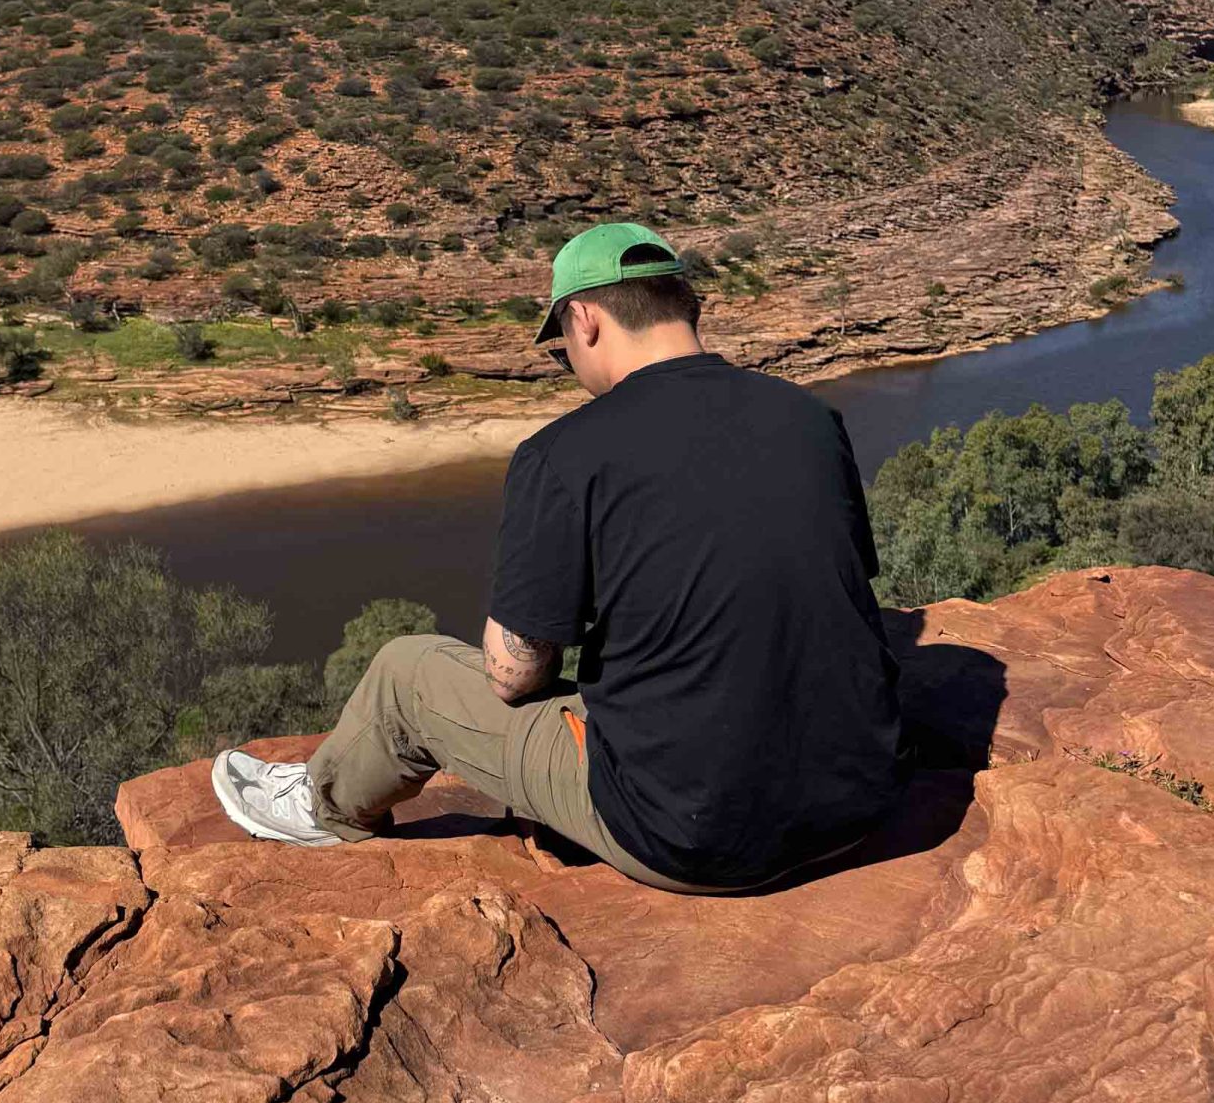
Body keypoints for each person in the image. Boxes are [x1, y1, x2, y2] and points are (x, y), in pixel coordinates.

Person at [212, 220, 902, 891]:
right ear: (685, 307)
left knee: (405, 672)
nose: (566, 360)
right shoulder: (809, 419)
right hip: (858, 801)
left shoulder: (564, 455)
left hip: (692, 834)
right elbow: (828, 586)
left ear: (585, 320)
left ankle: (322, 805)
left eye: (559, 345)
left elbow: (514, 674)